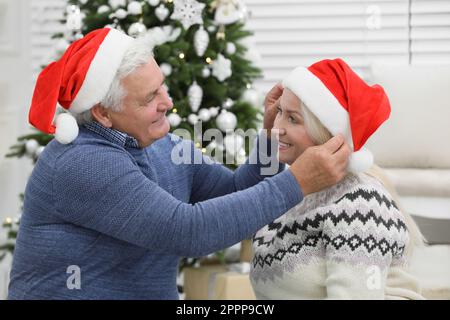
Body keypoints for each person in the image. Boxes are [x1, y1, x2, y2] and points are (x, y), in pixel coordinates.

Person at [8, 29, 350, 299]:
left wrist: (273, 139)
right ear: (102, 113)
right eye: (150, 98)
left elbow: (233, 192)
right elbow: (187, 231)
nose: (168, 103)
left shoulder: (161, 145)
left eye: (162, 88)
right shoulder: (83, 162)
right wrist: (298, 182)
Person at [250, 58, 425, 300]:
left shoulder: (360, 205)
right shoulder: (295, 190)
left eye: (293, 119)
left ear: (327, 135)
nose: (277, 127)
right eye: (279, 111)